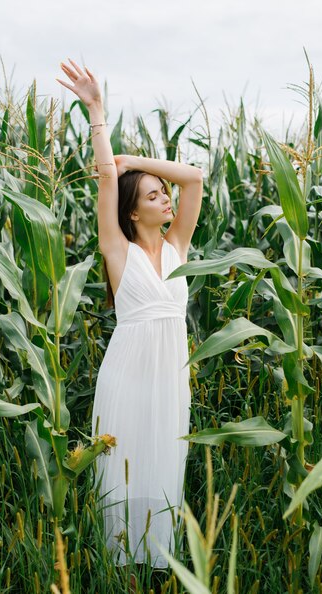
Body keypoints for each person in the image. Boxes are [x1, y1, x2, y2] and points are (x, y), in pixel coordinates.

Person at [57, 59, 203, 589]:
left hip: (170, 377)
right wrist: (96, 110)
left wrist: (137, 161)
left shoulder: (179, 244)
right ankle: (117, 574)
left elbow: (195, 178)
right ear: (132, 212)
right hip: (129, 374)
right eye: (152, 195)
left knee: (164, 462)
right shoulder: (117, 250)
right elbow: (105, 180)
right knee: (126, 468)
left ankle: (157, 568)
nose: (166, 197)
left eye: (163, 194)